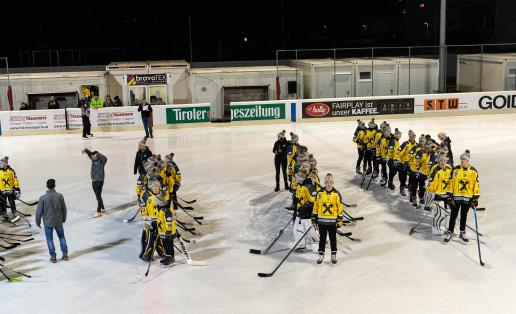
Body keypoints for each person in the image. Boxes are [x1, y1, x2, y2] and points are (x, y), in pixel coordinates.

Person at [444, 150, 480, 243]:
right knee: (453, 215)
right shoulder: (455, 169)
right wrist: (449, 196)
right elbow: (450, 183)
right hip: (456, 197)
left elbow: (476, 185)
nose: (461, 161)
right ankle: (450, 232)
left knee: (464, 215)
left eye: (463, 160)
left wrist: (475, 198)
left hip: (467, 198)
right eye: (461, 159)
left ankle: (462, 232)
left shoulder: (473, 171)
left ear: (468, 161)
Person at [312, 174, 343, 265]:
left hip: (332, 222)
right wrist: (314, 218)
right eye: (327, 182)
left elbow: (339, 208)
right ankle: (321, 254)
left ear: (333, 183)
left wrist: (340, 219)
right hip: (322, 221)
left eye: (330, 182)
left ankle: (333, 254)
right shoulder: (320, 193)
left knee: (333, 238)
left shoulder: (336, 194)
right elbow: (316, 206)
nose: (329, 184)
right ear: (324, 183)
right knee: (322, 238)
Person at [36, 179, 68, 263]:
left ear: (47, 186)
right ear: (54, 185)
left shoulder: (42, 198)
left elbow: (39, 212)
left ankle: (53, 257)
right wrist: (64, 218)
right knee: (61, 237)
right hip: (58, 220)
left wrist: (38, 222)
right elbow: (64, 209)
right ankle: (65, 254)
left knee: (49, 239)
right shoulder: (60, 196)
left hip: (48, 222)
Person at [82, 149, 108, 218]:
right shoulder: (93, 159)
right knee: (97, 196)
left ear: (97, 156)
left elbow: (105, 158)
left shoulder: (102, 161)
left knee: (98, 196)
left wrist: (98, 153)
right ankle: (103, 209)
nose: (92, 158)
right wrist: (86, 150)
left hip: (99, 180)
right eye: (91, 157)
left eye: (93, 157)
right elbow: (90, 154)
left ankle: (98, 211)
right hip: (93, 180)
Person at [0, 158, 21, 222]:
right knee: (3, 202)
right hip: (2, 191)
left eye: (1, 163)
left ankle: (14, 212)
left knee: (11, 201)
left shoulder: (11, 171)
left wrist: (17, 188)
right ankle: (4, 213)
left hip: (10, 190)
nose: (0, 164)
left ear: (5, 163)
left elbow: (15, 179)